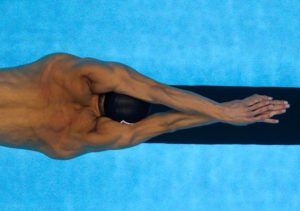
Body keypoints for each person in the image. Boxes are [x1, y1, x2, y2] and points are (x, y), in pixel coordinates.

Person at [0, 53, 290, 160]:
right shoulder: (67, 142)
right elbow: (167, 122)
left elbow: (157, 91)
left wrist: (225, 110)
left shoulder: (62, 71)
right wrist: (226, 114)